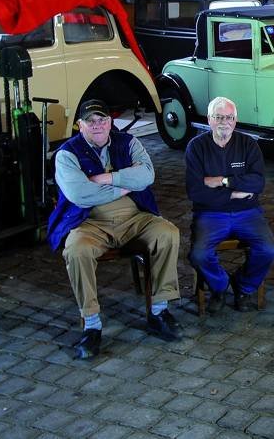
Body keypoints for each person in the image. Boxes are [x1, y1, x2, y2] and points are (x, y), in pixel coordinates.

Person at [48, 99, 182, 360]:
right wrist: (124, 185)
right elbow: (79, 194)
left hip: (134, 217)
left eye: (102, 120)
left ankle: (159, 311)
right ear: (80, 125)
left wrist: (107, 178)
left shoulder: (129, 142)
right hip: (88, 222)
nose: (97, 125)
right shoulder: (66, 154)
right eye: (91, 121)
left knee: (168, 233)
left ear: (110, 122)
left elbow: (147, 176)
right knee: (76, 249)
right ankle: (92, 324)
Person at [185, 97, 274, 313]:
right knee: (198, 255)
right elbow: (195, 191)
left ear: (235, 120)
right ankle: (220, 286)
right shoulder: (196, 147)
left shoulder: (248, 144)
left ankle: (243, 286)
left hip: (248, 212)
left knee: (269, 250)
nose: (224, 122)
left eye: (229, 117)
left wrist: (222, 181)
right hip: (210, 214)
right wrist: (236, 194)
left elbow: (258, 183)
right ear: (209, 120)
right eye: (218, 117)